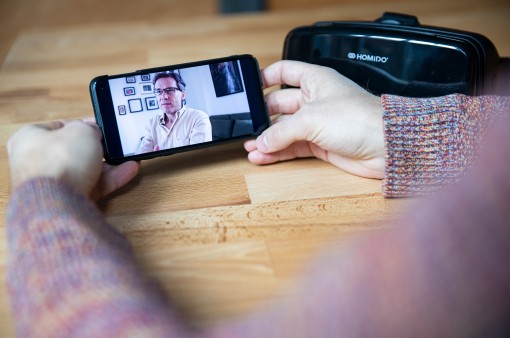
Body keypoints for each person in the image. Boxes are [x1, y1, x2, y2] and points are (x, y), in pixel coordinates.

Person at [5, 60, 510, 337]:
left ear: (180, 95)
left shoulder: (194, 120)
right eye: (157, 94)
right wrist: (399, 133)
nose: (163, 100)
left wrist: (47, 192)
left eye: (169, 93)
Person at [136, 71, 212, 154]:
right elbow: (141, 154)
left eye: (170, 90)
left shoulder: (198, 117)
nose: (164, 97)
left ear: (183, 95)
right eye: (158, 91)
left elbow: (199, 155)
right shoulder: (151, 124)